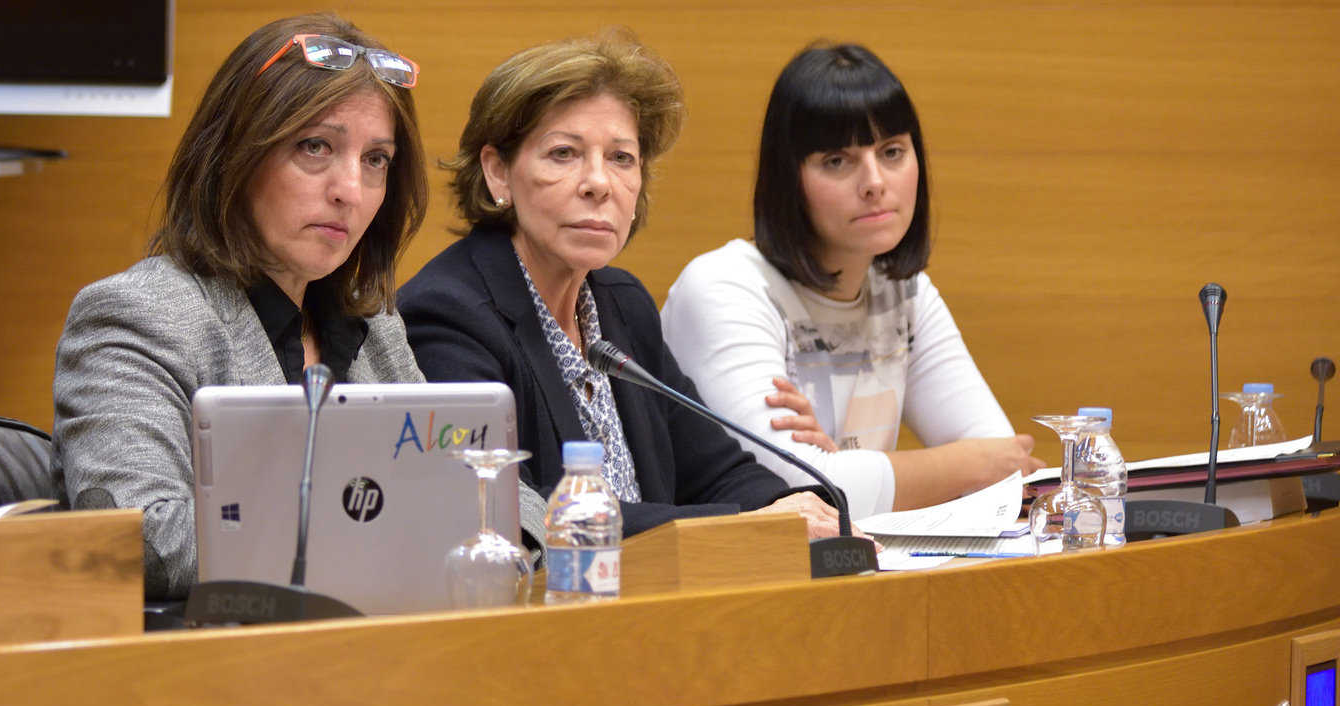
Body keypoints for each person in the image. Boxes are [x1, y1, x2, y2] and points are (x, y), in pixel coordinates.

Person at [398, 32, 844, 540]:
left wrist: (796, 507)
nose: (599, 183)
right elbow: (508, 510)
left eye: (621, 158)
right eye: (564, 154)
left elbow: (717, 469)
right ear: (498, 174)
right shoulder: (449, 314)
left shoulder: (621, 306)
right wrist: (747, 527)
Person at [54, 15, 430, 599]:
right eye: (315, 147)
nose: (351, 191)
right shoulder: (139, 315)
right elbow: (145, 537)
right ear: (234, 154)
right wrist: (393, 530)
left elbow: (482, 484)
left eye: (375, 160)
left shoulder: (371, 322)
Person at [661, 42, 1042, 520]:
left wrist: (841, 469)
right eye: (837, 161)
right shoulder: (725, 288)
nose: (874, 181)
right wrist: (963, 465)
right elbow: (789, 494)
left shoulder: (904, 293)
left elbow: (1012, 476)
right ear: (787, 179)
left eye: (892, 152)